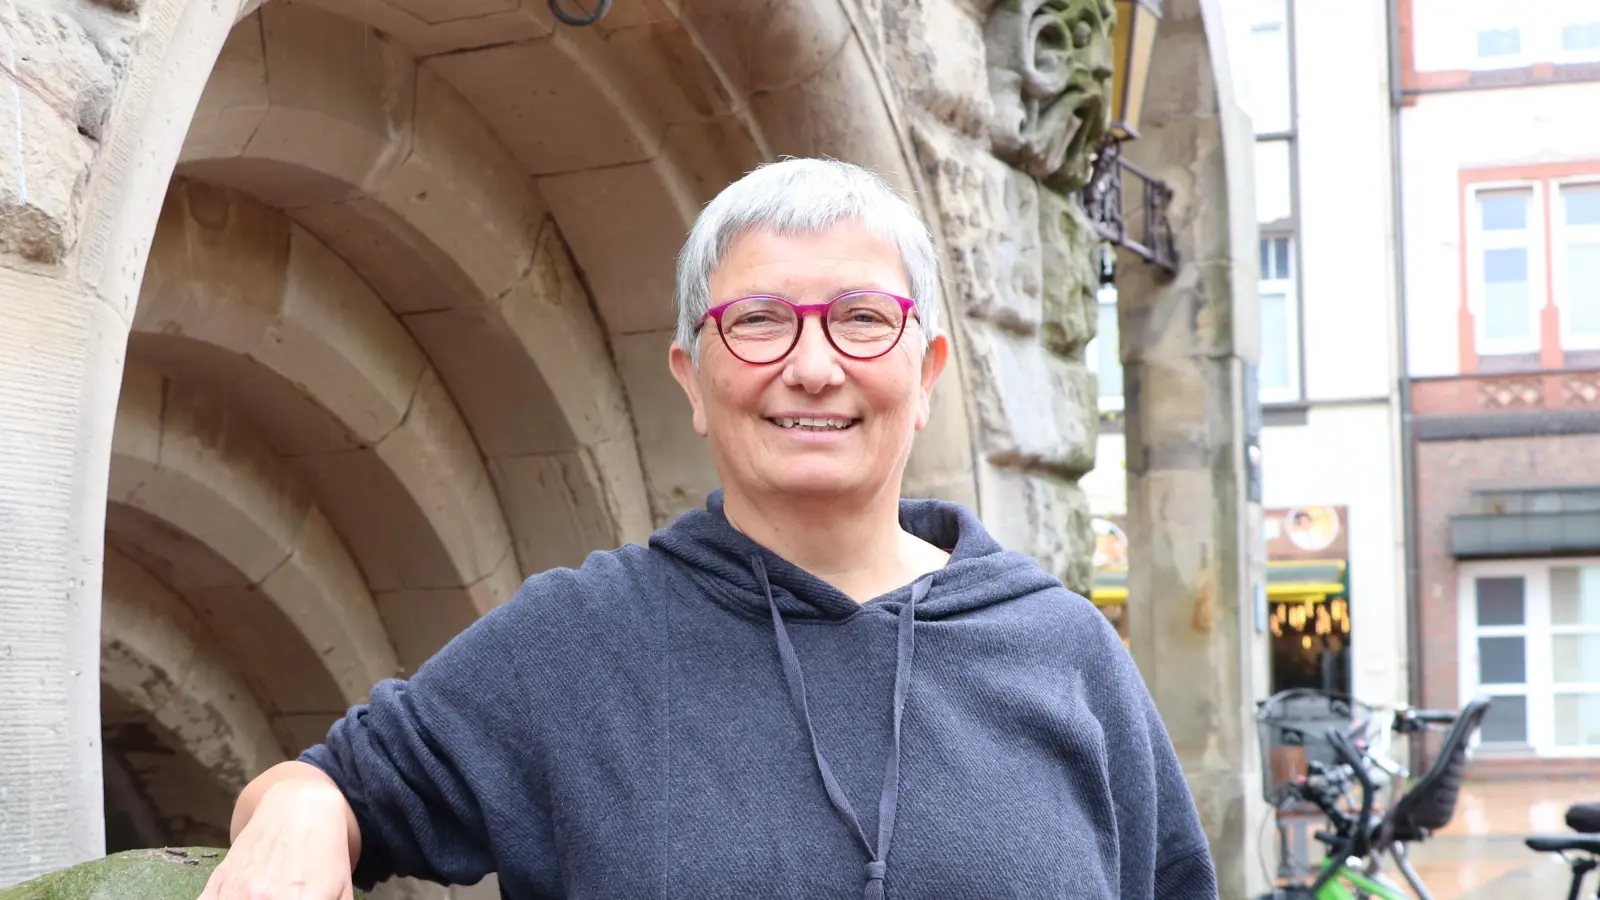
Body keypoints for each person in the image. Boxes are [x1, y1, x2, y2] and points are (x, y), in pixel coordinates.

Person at [199, 158, 1217, 900]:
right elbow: (336, 785)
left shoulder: (1064, 652)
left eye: (861, 319)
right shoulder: (580, 641)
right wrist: (295, 812)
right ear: (693, 376)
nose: (812, 367)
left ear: (927, 373)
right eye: (760, 322)